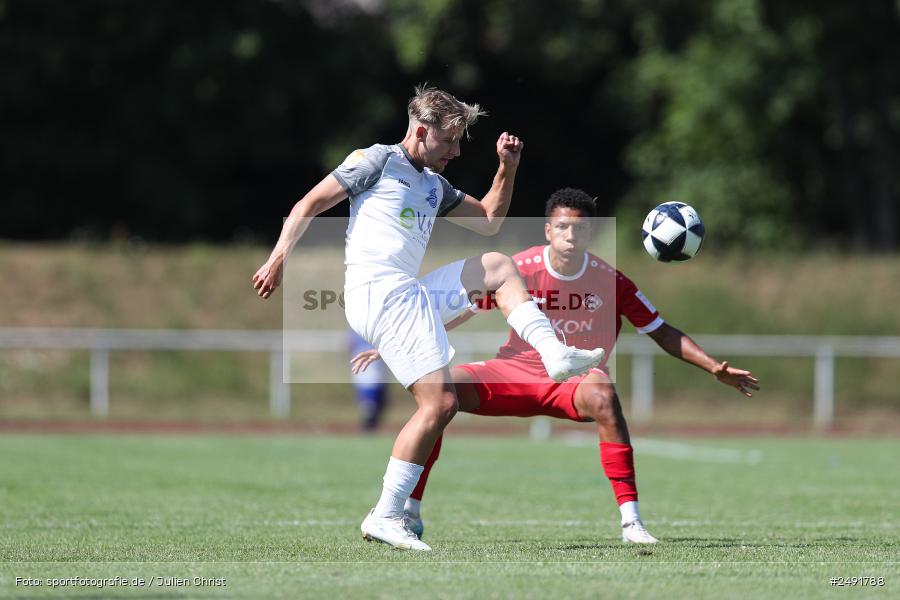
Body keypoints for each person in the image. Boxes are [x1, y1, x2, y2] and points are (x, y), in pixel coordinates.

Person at [252, 87, 605, 551]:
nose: (457, 151)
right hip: (378, 292)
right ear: (421, 131)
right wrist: (279, 258)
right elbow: (309, 204)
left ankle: (554, 354)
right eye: (451, 141)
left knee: (497, 265)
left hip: (406, 292)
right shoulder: (377, 160)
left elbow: (487, 220)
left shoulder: (434, 185)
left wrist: (507, 168)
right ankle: (385, 514)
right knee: (439, 404)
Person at [352, 187, 760, 544]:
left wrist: (712, 367)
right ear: (548, 229)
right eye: (561, 227)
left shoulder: (611, 280)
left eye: (579, 229)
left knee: (603, 396)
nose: (569, 236)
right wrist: (393, 345)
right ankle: (409, 510)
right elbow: (462, 309)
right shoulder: (521, 268)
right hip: (513, 371)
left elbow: (661, 331)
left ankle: (631, 521)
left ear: (589, 233)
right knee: (441, 396)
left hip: (575, 379)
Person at [348, 329, 389, 432]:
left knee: (380, 400)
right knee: (369, 401)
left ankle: (371, 424)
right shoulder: (357, 325)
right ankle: (368, 425)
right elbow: (349, 343)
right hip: (366, 365)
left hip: (376, 365)